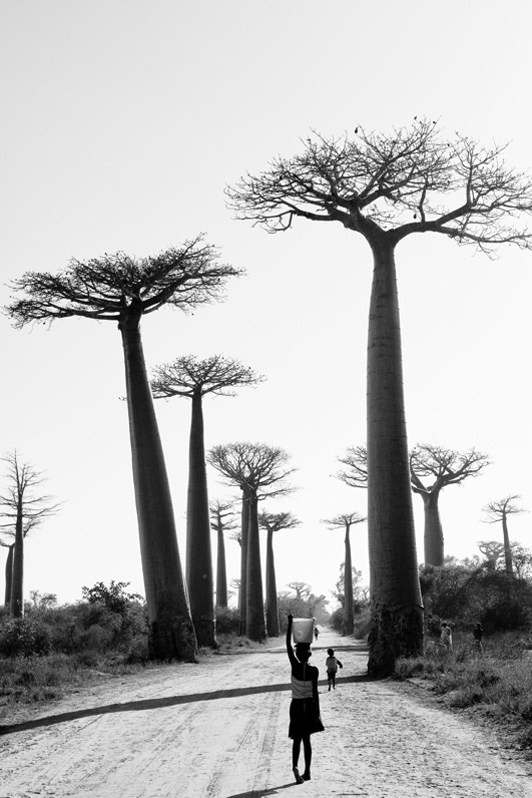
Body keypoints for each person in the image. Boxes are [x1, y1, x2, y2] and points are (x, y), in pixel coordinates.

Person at [286, 614, 324, 784]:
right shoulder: (314, 671)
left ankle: (294, 765)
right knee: (307, 740)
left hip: (295, 705)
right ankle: (307, 771)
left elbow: (288, 645)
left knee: (296, 738)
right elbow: (315, 693)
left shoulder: (294, 666)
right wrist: (318, 713)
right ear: (309, 655)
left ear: (297, 654)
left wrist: (289, 625)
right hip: (308, 705)